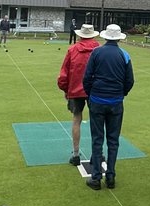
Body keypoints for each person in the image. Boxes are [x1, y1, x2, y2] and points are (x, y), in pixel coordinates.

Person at [81, 24, 134, 190]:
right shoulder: (124, 55)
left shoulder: (96, 52)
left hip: (97, 100)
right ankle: (110, 176)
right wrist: (121, 94)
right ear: (119, 38)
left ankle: (96, 178)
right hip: (116, 102)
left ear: (105, 37)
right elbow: (129, 81)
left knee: (97, 140)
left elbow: (87, 77)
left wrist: (91, 94)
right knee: (113, 140)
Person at [57, 24, 100, 166]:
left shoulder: (72, 49)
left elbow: (64, 73)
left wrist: (65, 90)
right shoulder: (99, 49)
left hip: (76, 91)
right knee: (97, 122)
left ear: (80, 35)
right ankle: (97, 154)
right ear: (93, 35)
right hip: (95, 90)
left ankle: (76, 155)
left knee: (76, 120)